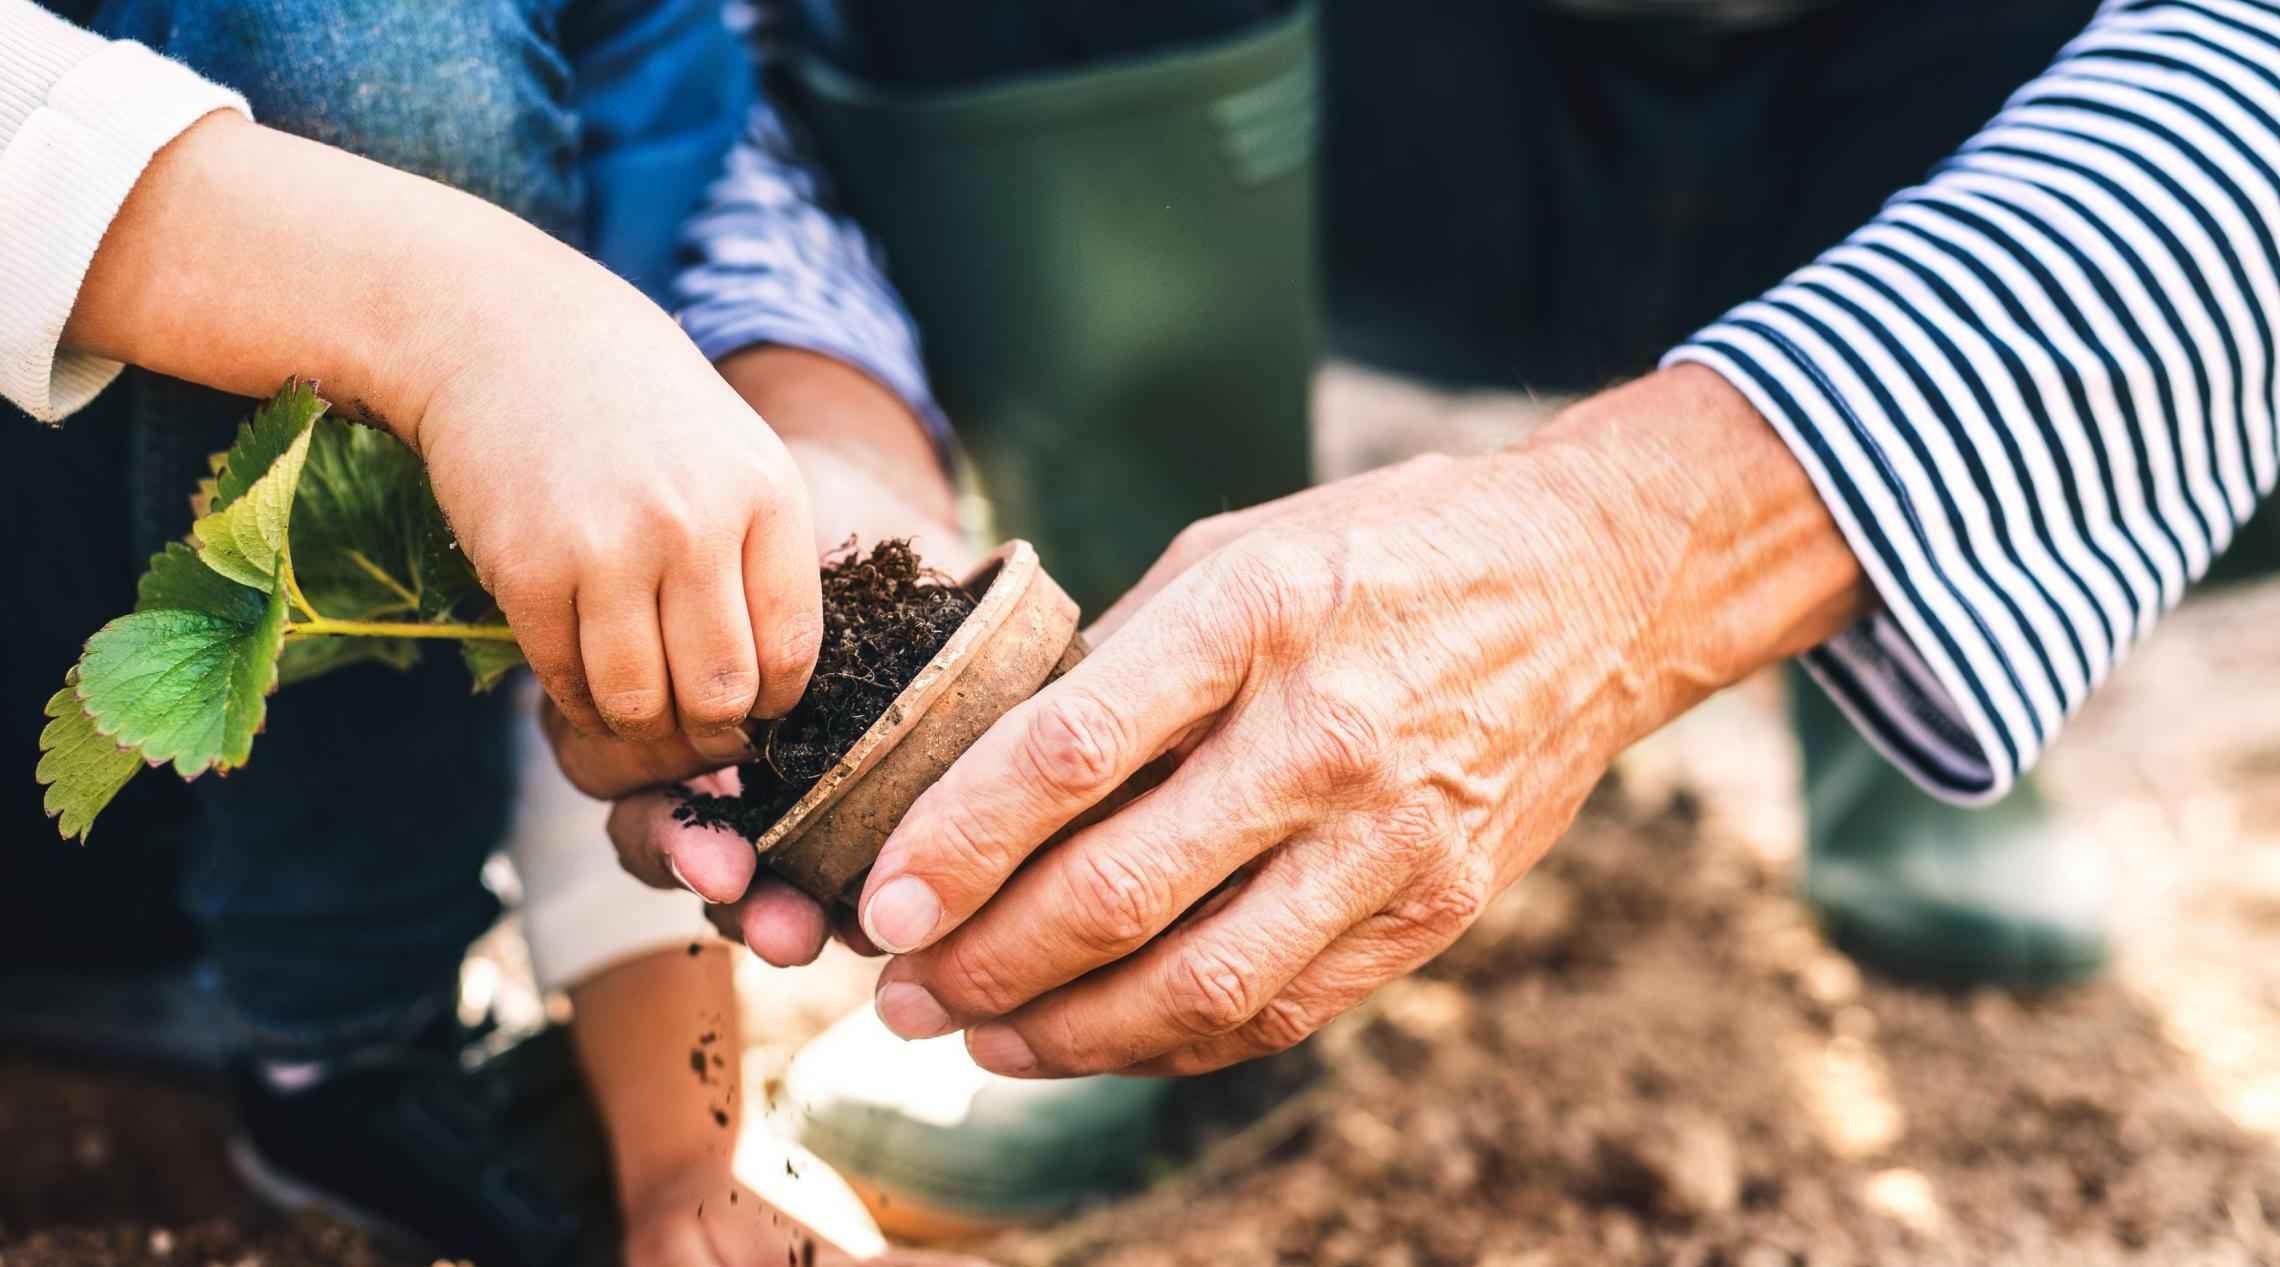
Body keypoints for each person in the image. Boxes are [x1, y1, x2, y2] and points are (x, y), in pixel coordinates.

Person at [572, 0, 2280, 1108]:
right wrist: (815, 390)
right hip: (1377, 102)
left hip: (2002, 101)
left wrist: (1644, 545)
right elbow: (691, 40)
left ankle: (1915, 629)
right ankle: (1148, 816)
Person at [0, 2, 974, 1262]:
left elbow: (594, 546)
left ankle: (346, 1053)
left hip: (245, 839)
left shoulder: (642, 63)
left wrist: (691, 1145)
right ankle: (339, 1004)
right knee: (376, 48)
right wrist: (453, 317)